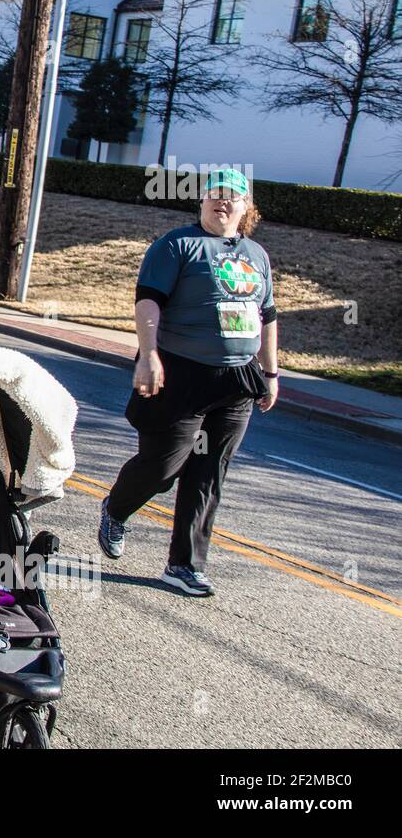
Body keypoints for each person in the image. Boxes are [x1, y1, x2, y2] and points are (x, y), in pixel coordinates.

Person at [98, 167, 279, 597]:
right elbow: (148, 302)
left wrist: (270, 373)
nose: (222, 202)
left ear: (245, 207)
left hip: (237, 380)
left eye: (232, 197)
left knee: (208, 473)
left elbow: (268, 316)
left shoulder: (257, 255)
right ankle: (116, 507)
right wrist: (149, 356)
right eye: (214, 195)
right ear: (201, 202)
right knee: (163, 467)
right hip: (180, 371)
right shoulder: (177, 245)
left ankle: (184, 566)